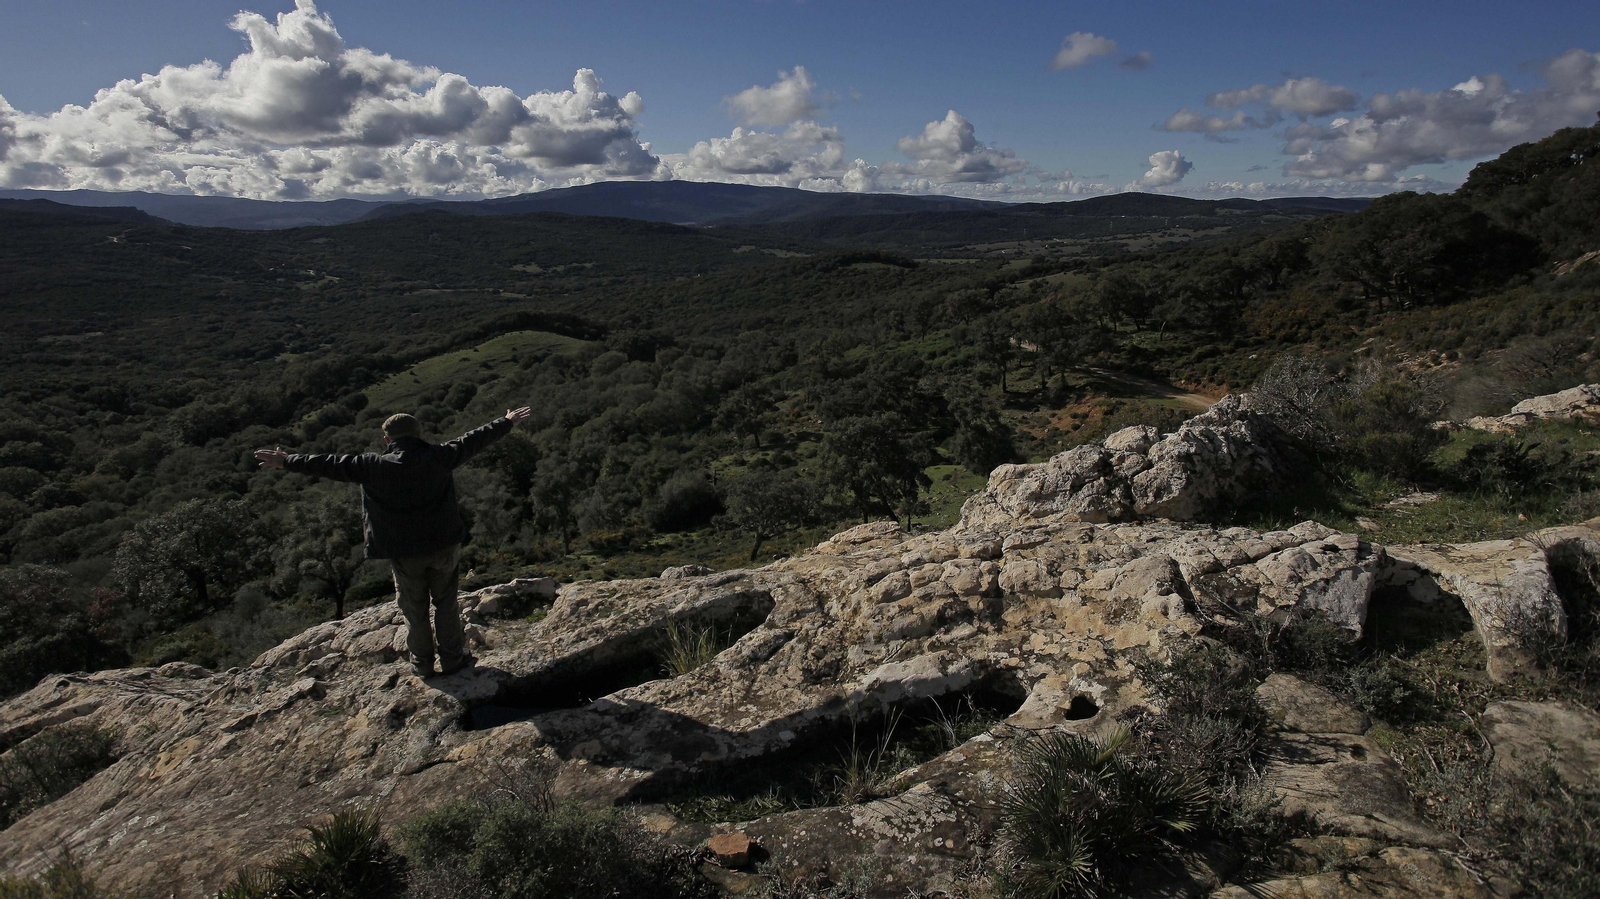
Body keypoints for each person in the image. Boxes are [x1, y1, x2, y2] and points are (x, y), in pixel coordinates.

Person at [254, 407, 532, 678]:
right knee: (446, 604)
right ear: (419, 432)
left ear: (387, 440)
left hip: (404, 553)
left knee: (414, 610)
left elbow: (327, 463)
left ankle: (422, 666)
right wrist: (506, 422)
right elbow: (474, 439)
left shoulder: (370, 466)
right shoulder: (440, 456)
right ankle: (453, 660)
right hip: (443, 545)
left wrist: (286, 460)